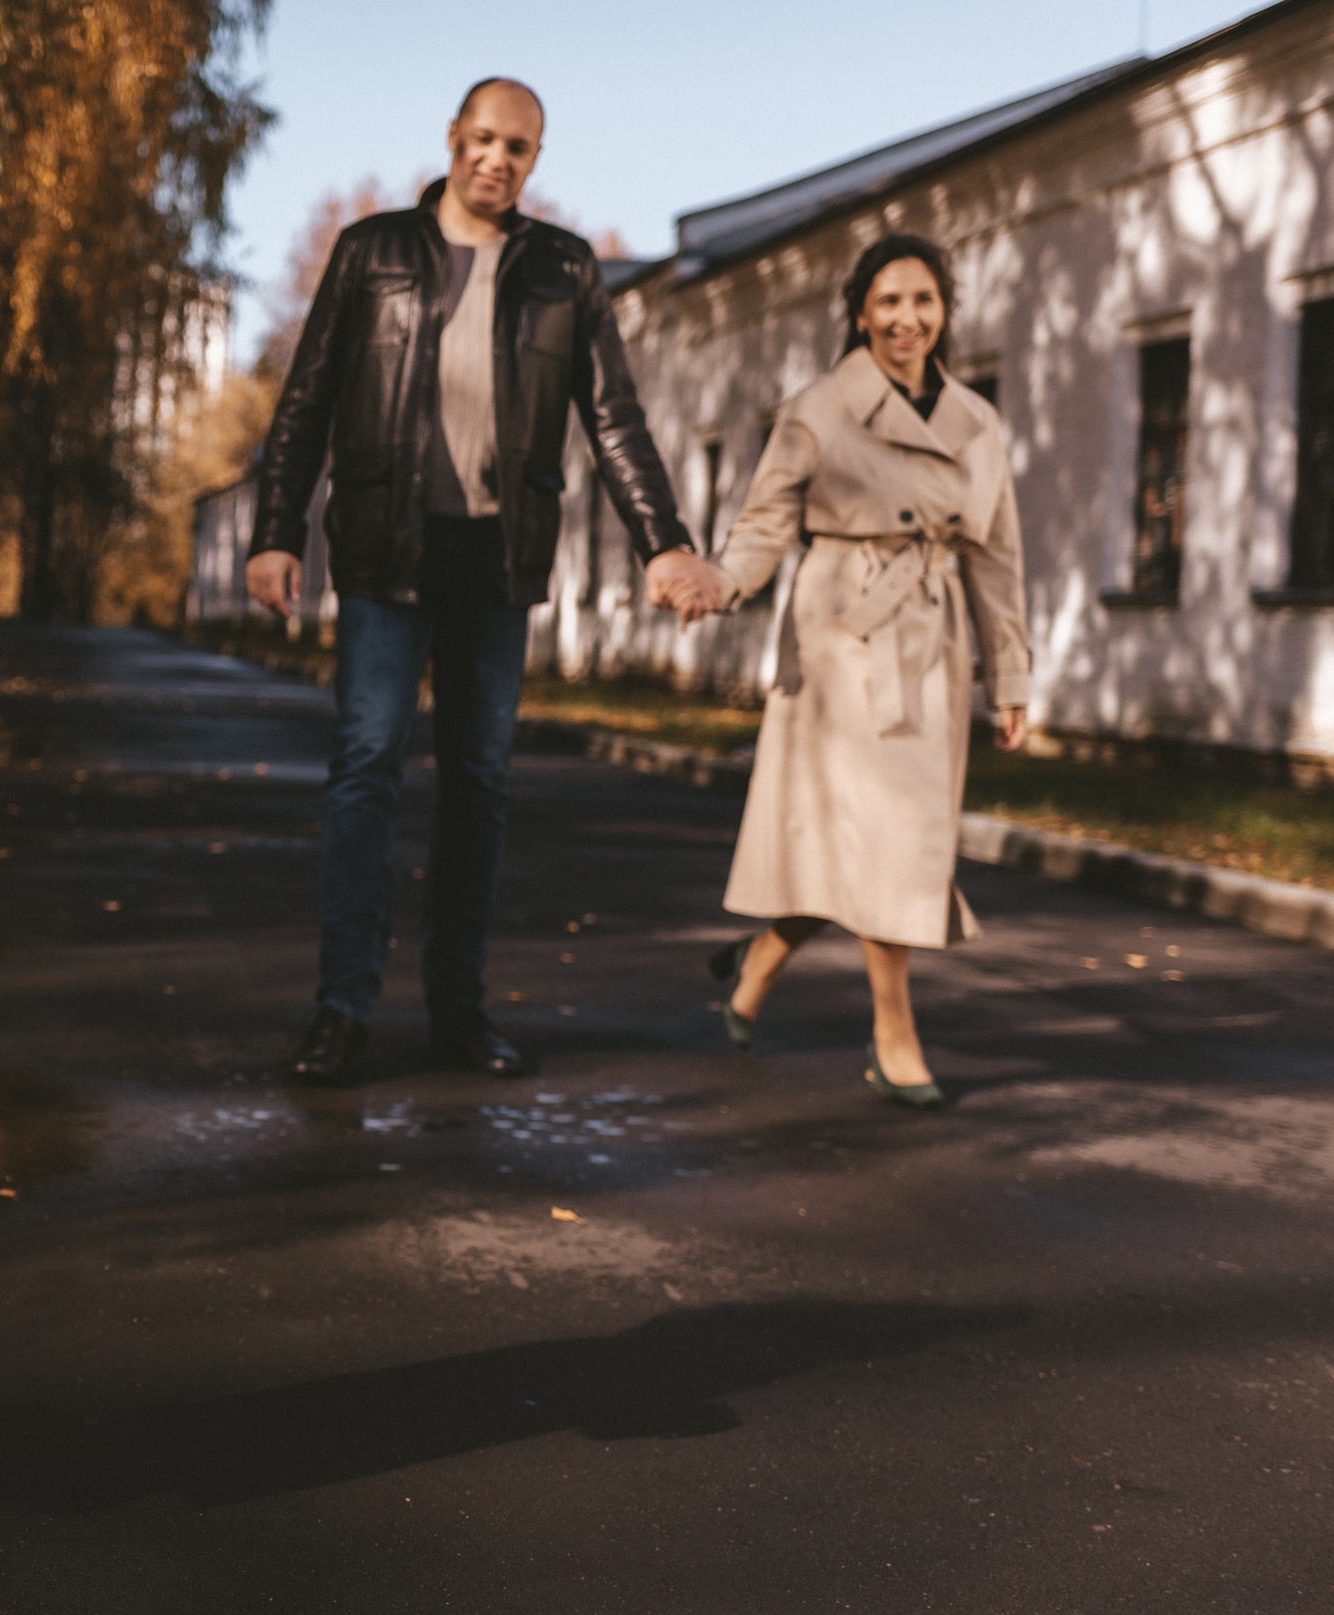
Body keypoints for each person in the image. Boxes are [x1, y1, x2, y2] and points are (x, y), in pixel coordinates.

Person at [249, 75, 717, 1086]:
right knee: (365, 764)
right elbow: (310, 396)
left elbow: (614, 418)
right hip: (381, 548)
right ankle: (340, 1010)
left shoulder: (563, 270)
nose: (497, 159)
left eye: (519, 148)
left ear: (533, 162)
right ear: (452, 138)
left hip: (496, 564)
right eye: (483, 139)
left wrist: (663, 543)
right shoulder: (372, 251)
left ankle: (458, 1011)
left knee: (479, 784)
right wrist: (274, 531)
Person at [671, 233, 1030, 1108]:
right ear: (860, 312)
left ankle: (754, 969)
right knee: (879, 835)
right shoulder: (818, 409)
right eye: (889, 301)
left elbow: (997, 558)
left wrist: (1010, 677)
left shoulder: (977, 422)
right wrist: (718, 582)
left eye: (924, 301)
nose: (907, 319)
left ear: (944, 312)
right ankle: (895, 1032)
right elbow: (763, 528)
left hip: (929, 640)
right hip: (841, 635)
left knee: (865, 842)